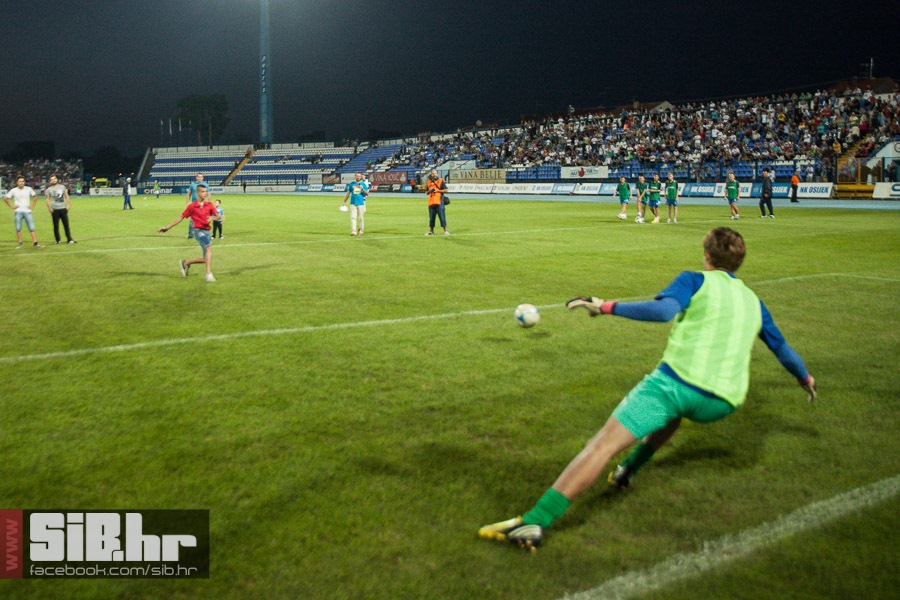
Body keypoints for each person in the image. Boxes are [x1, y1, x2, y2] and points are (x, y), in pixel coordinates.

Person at [478, 227, 818, 551]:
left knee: (602, 445)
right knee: (673, 414)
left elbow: (662, 312)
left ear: (706, 256)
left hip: (675, 385)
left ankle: (536, 521)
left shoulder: (694, 280)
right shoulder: (753, 300)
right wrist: (805, 379)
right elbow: (781, 348)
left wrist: (606, 306)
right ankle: (629, 470)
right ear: (738, 263)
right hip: (723, 401)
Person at [158, 183, 220, 282]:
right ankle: (208, 274)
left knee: (206, 259)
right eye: (203, 192)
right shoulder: (192, 206)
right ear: (198, 193)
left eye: (206, 192)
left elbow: (218, 216)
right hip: (198, 232)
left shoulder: (209, 205)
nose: (205, 194)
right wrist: (167, 227)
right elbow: (181, 217)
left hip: (207, 231)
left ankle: (185, 263)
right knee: (209, 248)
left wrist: (212, 217)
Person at [4, 176, 41, 248]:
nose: (21, 183)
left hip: (27, 211)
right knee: (18, 228)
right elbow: (5, 198)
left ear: (24, 182)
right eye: (20, 181)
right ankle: (20, 243)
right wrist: (12, 206)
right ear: (17, 182)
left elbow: (35, 196)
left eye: (22, 181)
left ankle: (35, 243)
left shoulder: (28, 189)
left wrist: (32, 205)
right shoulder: (13, 190)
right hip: (18, 211)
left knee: (31, 227)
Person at [45, 175, 76, 243]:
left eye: (55, 179)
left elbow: (66, 195)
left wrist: (68, 204)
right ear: (50, 181)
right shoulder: (49, 189)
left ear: (57, 179)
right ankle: (58, 240)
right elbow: (47, 199)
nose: (54, 180)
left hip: (63, 208)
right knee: (56, 226)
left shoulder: (62, 187)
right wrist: (49, 208)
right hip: (55, 209)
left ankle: (69, 239)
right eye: (52, 179)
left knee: (66, 225)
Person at [340, 172, 370, 236]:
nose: (358, 177)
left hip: (361, 203)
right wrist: (344, 201)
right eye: (357, 176)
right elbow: (348, 193)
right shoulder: (351, 184)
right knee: (353, 217)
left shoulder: (363, 184)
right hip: (353, 203)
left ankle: (360, 230)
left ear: (361, 177)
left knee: (360, 218)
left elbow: (367, 193)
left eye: (359, 176)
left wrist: (362, 188)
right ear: (355, 176)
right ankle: (353, 231)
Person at [425, 169, 449, 236]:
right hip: (431, 202)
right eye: (433, 173)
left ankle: (446, 230)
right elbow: (426, 192)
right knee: (431, 218)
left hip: (439, 202)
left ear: (437, 174)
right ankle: (431, 231)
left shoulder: (441, 181)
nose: (434, 175)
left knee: (442, 217)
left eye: (435, 173)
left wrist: (437, 191)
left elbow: (446, 190)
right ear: (431, 174)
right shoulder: (429, 182)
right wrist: (430, 190)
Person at [186, 173, 206, 239]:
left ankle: (202, 233)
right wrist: (187, 203)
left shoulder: (205, 184)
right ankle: (191, 234)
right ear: (196, 178)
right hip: (194, 205)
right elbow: (189, 194)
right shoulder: (192, 184)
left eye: (201, 177)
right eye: (199, 177)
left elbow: (208, 194)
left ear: (203, 178)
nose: (200, 178)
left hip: (203, 205)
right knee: (192, 220)